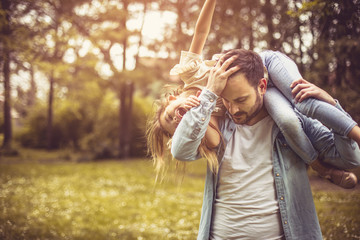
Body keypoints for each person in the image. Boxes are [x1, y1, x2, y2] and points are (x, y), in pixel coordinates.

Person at [146, 0, 359, 188]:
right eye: (175, 126)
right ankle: (320, 167)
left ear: (171, 100)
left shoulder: (190, 74)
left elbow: (200, 32)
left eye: (169, 116)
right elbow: (203, 141)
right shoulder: (208, 117)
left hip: (266, 64)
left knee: (302, 99)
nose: (176, 119)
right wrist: (203, 103)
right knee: (287, 120)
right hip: (261, 90)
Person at [170, 49, 360, 239]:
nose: (233, 109)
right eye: (226, 100)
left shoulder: (295, 123)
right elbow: (181, 151)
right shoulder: (218, 126)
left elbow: (351, 159)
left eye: (241, 99)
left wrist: (332, 108)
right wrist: (209, 94)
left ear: (262, 86)